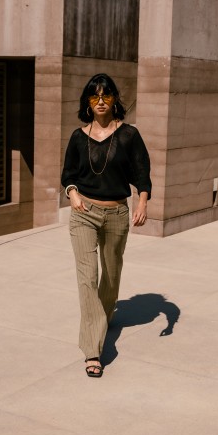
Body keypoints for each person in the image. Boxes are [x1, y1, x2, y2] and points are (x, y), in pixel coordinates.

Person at [61, 73, 152, 378]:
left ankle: (104, 313)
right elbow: (68, 174)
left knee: (111, 276)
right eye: (94, 96)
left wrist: (142, 202)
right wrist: (72, 193)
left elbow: (142, 171)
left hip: (116, 215)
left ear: (114, 100)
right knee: (88, 279)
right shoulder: (77, 137)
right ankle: (93, 350)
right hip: (83, 214)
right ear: (87, 102)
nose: (100, 101)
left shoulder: (129, 135)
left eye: (106, 95)